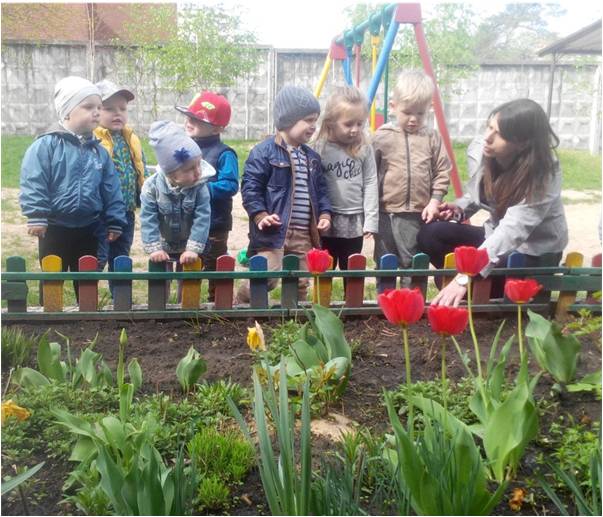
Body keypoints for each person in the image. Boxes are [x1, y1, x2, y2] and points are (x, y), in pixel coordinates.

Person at [419, 98, 568, 306]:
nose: (488, 137)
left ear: (523, 142)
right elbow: (480, 192)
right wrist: (459, 209)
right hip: (495, 235)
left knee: (460, 284)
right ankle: (473, 285)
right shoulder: (484, 150)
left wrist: (464, 277)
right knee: (431, 234)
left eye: (500, 134)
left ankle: (475, 287)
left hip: (531, 252)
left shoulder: (543, 172)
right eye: (489, 127)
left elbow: (513, 230)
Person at [20, 76, 126, 298]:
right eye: (88, 107)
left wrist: (114, 220)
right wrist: (37, 215)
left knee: (87, 277)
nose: (96, 112)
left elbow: (111, 189)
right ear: (67, 112)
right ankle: (49, 312)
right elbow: (34, 181)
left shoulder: (99, 152)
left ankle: (86, 312)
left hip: (89, 227)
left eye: (99, 107)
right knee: (52, 276)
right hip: (54, 226)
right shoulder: (46, 145)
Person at [236, 85, 331, 303]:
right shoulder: (264, 152)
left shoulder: (312, 158)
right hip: (274, 232)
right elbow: (251, 187)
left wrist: (325, 214)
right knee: (267, 275)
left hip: (303, 233)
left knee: (300, 279)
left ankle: (294, 314)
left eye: (315, 120)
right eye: (308, 120)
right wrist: (260, 214)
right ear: (288, 120)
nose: (313, 126)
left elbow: (321, 191)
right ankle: (242, 301)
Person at [372, 69, 452, 272]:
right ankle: (386, 293)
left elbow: (442, 171)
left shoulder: (432, 137)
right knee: (385, 262)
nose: (414, 119)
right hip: (386, 212)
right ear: (393, 107)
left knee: (414, 263)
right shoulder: (381, 137)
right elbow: (370, 175)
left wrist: (435, 201)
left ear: (429, 108)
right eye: (407, 113)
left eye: (420, 113)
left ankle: (413, 293)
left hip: (418, 213)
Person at [176, 91, 238, 302]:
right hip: (187, 222)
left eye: (197, 119)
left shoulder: (224, 153)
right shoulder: (183, 149)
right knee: (186, 265)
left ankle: (217, 305)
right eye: (189, 117)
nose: (189, 122)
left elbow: (231, 185)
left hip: (214, 224)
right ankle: (184, 306)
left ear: (217, 128)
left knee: (215, 264)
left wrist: (203, 189)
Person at [312, 85, 378, 275]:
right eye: (348, 124)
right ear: (331, 122)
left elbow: (371, 181)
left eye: (360, 124)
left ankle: (350, 296)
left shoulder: (364, 147)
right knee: (324, 269)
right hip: (327, 220)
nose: (355, 130)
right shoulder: (319, 148)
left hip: (354, 221)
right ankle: (323, 296)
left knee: (351, 268)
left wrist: (371, 219)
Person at [93, 79, 148, 293]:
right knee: (98, 257)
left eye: (122, 109)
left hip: (127, 210)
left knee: (121, 256)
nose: (118, 114)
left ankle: (120, 299)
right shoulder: (93, 139)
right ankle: (87, 300)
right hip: (101, 213)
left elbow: (140, 167)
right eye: (109, 109)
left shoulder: (130, 138)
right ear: (96, 111)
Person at [140, 120, 213, 271]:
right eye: (190, 169)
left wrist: (193, 249)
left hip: (190, 244)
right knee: (160, 280)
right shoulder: (151, 187)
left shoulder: (200, 187)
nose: (198, 172)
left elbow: (202, 218)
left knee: (188, 280)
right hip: (163, 245)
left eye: (199, 164)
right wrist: (154, 248)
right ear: (171, 174)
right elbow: (148, 218)